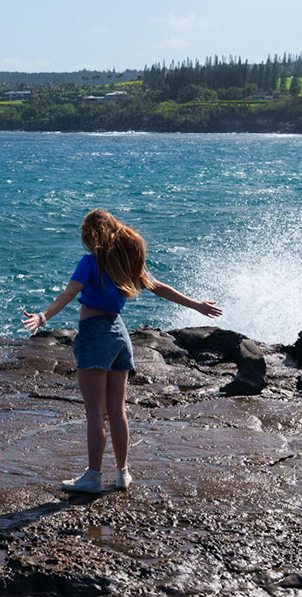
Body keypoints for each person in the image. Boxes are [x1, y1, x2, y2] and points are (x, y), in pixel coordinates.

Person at [21, 209, 223, 493]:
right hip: (120, 336)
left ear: (90, 235)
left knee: (95, 413)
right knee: (117, 411)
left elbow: (68, 294)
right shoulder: (125, 263)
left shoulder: (90, 263)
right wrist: (196, 305)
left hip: (95, 336)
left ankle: (93, 476)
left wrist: (43, 317)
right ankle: (122, 474)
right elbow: (159, 288)